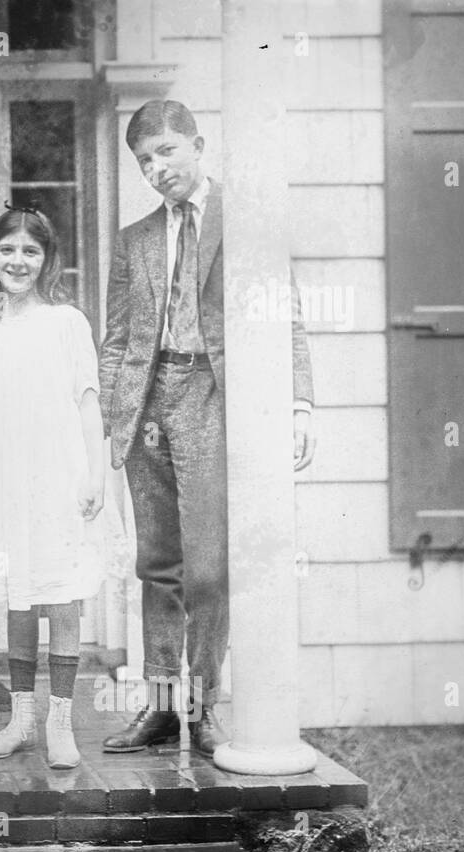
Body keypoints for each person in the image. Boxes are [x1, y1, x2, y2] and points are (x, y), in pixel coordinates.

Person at [98, 100, 316, 756]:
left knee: (208, 568)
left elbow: (286, 315)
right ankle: (163, 708)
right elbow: (115, 336)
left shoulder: (245, 220)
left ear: (197, 144)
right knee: (157, 562)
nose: (156, 168)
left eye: (166, 152)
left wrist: (300, 404)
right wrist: (114, 416)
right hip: (147, 404)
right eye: (144, 160)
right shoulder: (135, 238)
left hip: (211, 396)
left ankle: (203, 699)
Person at [0, 205, 104, 769]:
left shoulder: (66, 322)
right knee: (19, 598)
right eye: (7, 249)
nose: (18, 261)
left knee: (63, 596)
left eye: (31, 251)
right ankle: (21, 719)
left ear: (47, 260)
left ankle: (59, 724)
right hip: (4, 480)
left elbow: (88, 402)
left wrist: (95, 472)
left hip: (60, 473)